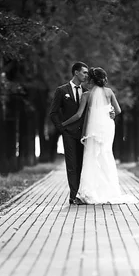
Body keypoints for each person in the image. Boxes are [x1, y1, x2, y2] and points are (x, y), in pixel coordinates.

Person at [62, 67, 137, 205]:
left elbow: (79, 115)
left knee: (91, 156)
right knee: (106, 155)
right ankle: (111, 191)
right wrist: (112, 114)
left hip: (93, 129)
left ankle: (90, 192)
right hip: (107, 127)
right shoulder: (109, 92)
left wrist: (64, 123)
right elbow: (118, 110)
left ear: (91, 79)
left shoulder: (86, 95)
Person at [48, 62, 90, 205]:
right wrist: (61, 128)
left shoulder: (86, 91)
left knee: (82, 164)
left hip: (84, 134)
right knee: (72, 165)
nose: (86, 75)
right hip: (69, 134)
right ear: (76, 72)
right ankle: (73, 196)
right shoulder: (62, 90)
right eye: (84, 72)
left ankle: (81, 194)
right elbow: (53, 113)